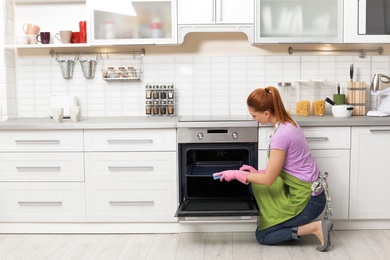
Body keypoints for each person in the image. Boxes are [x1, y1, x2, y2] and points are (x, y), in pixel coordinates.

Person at [214, 86, 333, 252]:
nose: (253, 119)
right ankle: (310, 226)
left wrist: (236, 174)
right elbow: (285, 168)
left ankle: (316, 228)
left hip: (308, 201)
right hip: (312, 193)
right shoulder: (289, 124)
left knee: (263, 236)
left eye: (254, 115)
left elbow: (269, 179)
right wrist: (256, 173)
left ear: (267, 113)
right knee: (257, 182)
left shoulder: (281, 135)